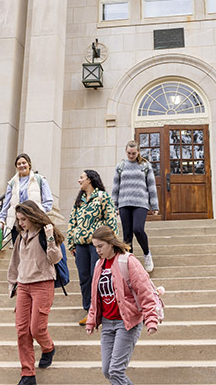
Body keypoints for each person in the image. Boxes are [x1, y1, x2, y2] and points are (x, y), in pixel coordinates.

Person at [86, 226, 160, 385]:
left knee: (116, 371)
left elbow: (144, 290)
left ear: (111, 243)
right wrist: (92, 320)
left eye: (100, 246)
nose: (97, 250)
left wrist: (151, 319)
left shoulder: (127, 260)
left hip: (126, 323)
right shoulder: (99, 265)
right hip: (107, 323)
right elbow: (95, 296)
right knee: (107, 370)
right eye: (95, 247)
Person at [7, 200, 64, 385]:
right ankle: (28, 374)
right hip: (23, 286)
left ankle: (48, 348)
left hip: (42, 284)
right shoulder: (20, 237)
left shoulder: (45, 233)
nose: (21, 223)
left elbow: (55, 259)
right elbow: (14, 263)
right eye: (18, 220)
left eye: (24, 219)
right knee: (22, 331)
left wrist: (49, 238)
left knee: (36, 329)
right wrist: (12, 285)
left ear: (32, 216)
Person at [68, 169, 119, 326]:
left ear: (89, 179)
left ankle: (101, 310)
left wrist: (113, 243)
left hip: (97, 245)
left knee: (96, 277)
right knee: (85, 278)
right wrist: (71, 241)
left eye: (81, 177)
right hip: (80, 245)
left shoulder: (103, 197)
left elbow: (111, 220)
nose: (79, 180)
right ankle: (89, 311)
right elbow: (72, 221)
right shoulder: (80, 200)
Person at [111, 140, 159, 272]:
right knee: (127, 234)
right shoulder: (121, 166)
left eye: (133, 153)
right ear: (126, 151)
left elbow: (151, 186)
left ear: (138, 152)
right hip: (124, 202)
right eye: (128, 153)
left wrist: (154, 205)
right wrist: (114, 206)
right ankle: (129, 261)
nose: (131, 156)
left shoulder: (145, 165)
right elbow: (115, 187)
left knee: (138, 229)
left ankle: (147, 254)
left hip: (141, 203)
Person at [0, 153, 53, 245]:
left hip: (34, 223)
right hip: (17, 224)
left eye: (24, 163)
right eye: (19, 164)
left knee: (34, 251)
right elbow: (6, 204)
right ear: (16, 167)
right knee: (19, 252)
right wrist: (1, 220)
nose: (22, 166)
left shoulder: (40, 179)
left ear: (29, 164)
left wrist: (38, 213)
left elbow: (48, 201)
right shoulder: (12, 183)